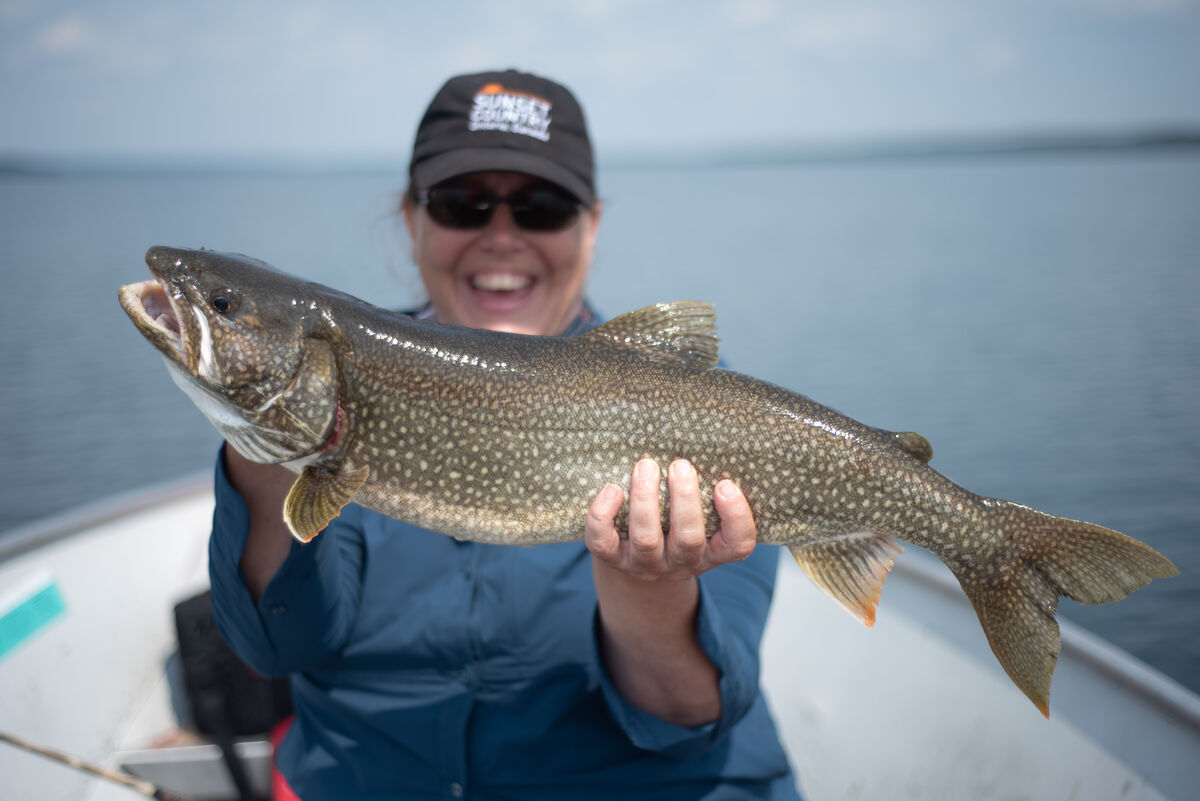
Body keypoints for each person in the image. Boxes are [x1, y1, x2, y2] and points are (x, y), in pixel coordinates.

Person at [209, 69, 801, 800]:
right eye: (463, 204)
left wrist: (645, 589)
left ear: (592, 224)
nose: (501, 236)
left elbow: (691, 711)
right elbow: (277, 646)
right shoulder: (344, 384)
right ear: (410, 217)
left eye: (542, 208)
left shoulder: (702, 418)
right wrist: (268, 438)